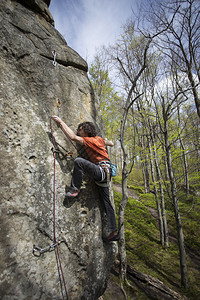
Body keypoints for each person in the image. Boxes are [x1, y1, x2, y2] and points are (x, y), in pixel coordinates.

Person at [51, 116, 119, 242]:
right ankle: (114, 231)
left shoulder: (89, 140)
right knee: (106, 202)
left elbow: (72, 137)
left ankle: (75, 189)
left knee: (79, 161)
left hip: (101, 171)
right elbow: (111, 143)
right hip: (106, 174)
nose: (78, 131)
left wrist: (61, 122)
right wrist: (109, 142)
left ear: (86, 131)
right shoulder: (99, 139)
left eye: (80, 129)